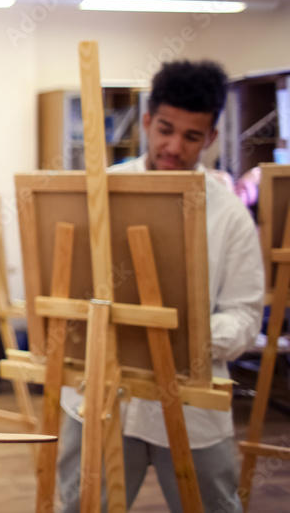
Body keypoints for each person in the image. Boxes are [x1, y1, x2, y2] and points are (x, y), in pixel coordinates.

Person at [56, 59, 265, 512]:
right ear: (148, 121)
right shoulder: (100, 194)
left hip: (193, 404)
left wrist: (186, 338)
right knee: (78, 507)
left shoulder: (228, 215)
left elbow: (247, 317)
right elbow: (67, 290)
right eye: (165, 129)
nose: (174, 146)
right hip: (101, 396)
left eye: (192, 137)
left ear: (210, 139)